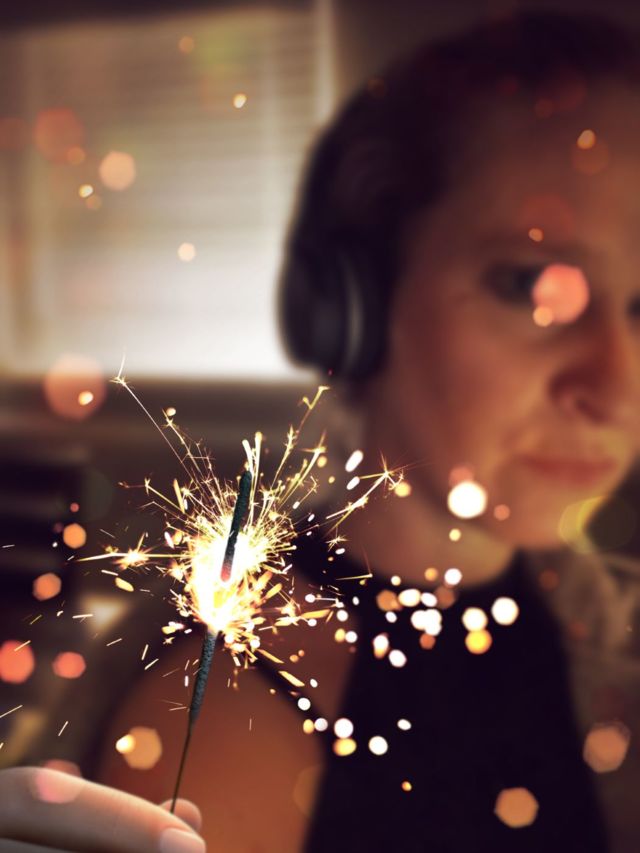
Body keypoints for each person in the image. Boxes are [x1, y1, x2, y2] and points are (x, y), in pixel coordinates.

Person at [2, 9, 640, 852]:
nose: (616, 388)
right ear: (355, 306)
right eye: (532, 287)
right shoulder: (236, 703)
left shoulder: (597, 623)